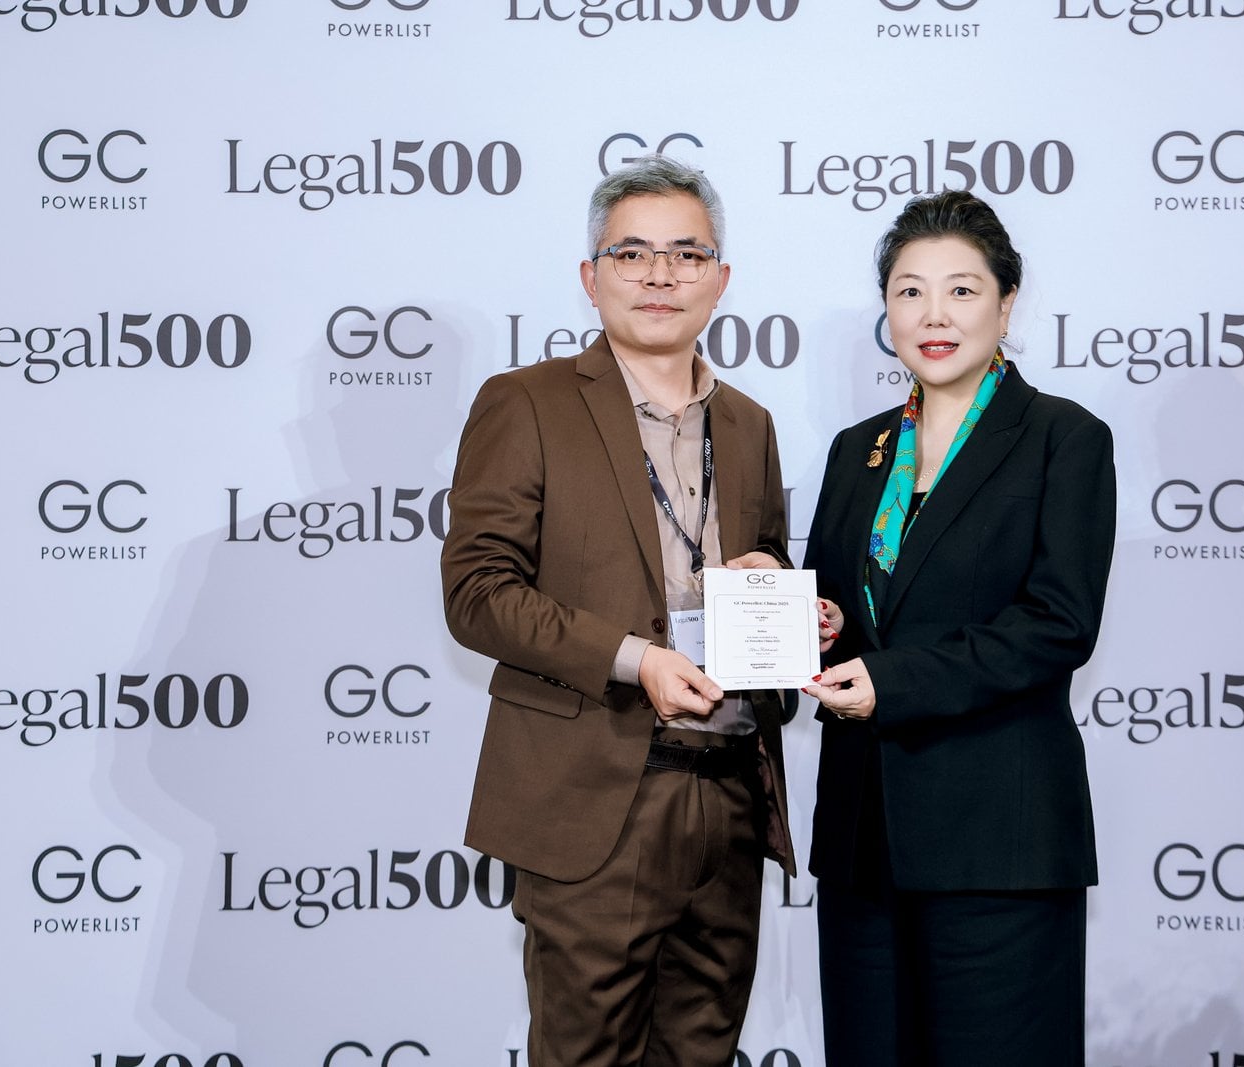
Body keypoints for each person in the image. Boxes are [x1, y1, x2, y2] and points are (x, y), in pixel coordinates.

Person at [440, 154, 797, 1067]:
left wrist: (790, 604)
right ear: (591, 275)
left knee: (703, 1051)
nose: (660, 275)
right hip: (595, 796)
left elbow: (762, 570)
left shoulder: (749, 423)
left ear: (721, 278)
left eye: (687, 254)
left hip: (728, 791)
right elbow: (478, 593)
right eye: (632, 254)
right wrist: (637, 659)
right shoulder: (527, 403)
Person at [801, 189, 1116, 1065]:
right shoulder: (857, 449)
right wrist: (821, 623)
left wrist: (891, 681)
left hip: (998, 844)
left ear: (1006, 304)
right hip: (864, 844)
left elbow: (1058, 622)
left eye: (962, 290)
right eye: (910, 291)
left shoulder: (1062, 438)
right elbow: (847, 608)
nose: (933, 315)